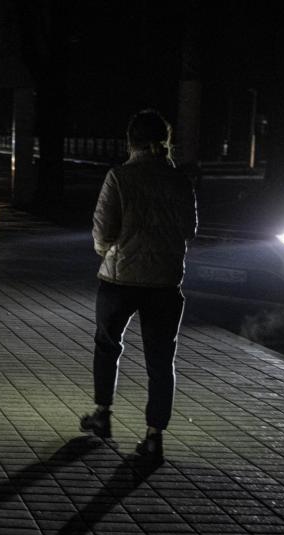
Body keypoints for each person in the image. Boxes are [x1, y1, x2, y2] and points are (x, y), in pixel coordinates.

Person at [79, 109, 198, 463]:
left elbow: (102, 233)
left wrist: (112, 251)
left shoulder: (119, 177)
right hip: (165, 281)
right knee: (162, 360)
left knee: (107, 344)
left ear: (130, 141)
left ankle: (102, 414)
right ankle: (153, 436)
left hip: (120, 280)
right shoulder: (180, 180)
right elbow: (190, 229)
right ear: (165, 141)